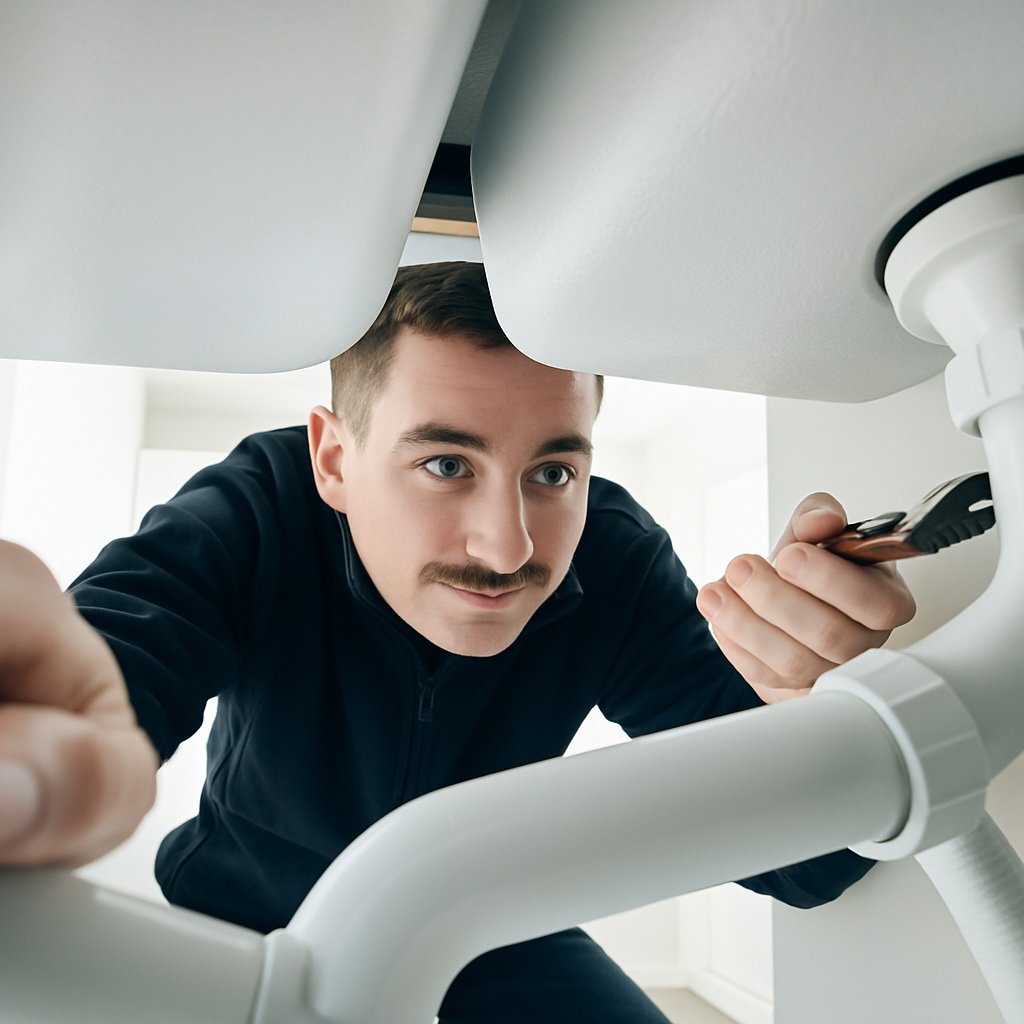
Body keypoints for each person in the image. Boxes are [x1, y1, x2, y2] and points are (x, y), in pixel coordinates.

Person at [0, 261, 915, 1022]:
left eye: (552, 472)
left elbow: (806, 865)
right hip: (242, 911)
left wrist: (828, 719)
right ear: (334, 461)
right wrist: (57, 738)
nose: (508, 548)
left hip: (491, 919)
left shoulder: (617, 558)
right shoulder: (255, 507)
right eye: (446, 464)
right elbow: (114, 657)